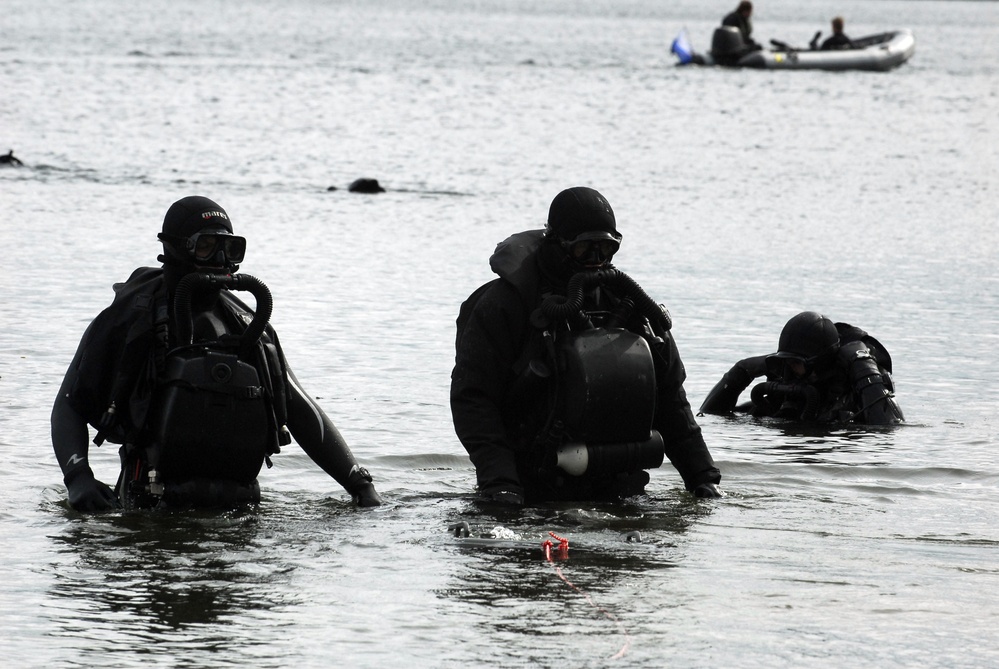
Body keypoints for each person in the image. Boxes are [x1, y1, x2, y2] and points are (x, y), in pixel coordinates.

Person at [52, 195, 383, 512]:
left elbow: (300, 409)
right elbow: (69, 402)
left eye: (230, 247)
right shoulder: (131, 317)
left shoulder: (249, 328)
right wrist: (78, 477)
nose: (221, 260)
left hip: (237, 507)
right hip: (150, 506)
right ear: (175, 248)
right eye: (207, 246)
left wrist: (357, 482)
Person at [450, 187, 722, 506]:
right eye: (584, 248)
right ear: (558, 243)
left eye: (606, 248)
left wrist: (703, 479)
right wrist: (501, 483)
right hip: (529, 482)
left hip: (619, 482)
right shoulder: (505, 305)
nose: (596, 260)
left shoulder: (629, 306)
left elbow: (672, 401)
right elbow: (473, 399)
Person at [699, 311, 903, 425]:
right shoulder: (786, 391)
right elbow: (710, 415)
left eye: (796, 364)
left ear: (819, 364)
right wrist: (742, 371)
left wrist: (865, 370)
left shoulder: (853, 399)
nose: (788, 373)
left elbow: (887, 428)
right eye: (784, 363)